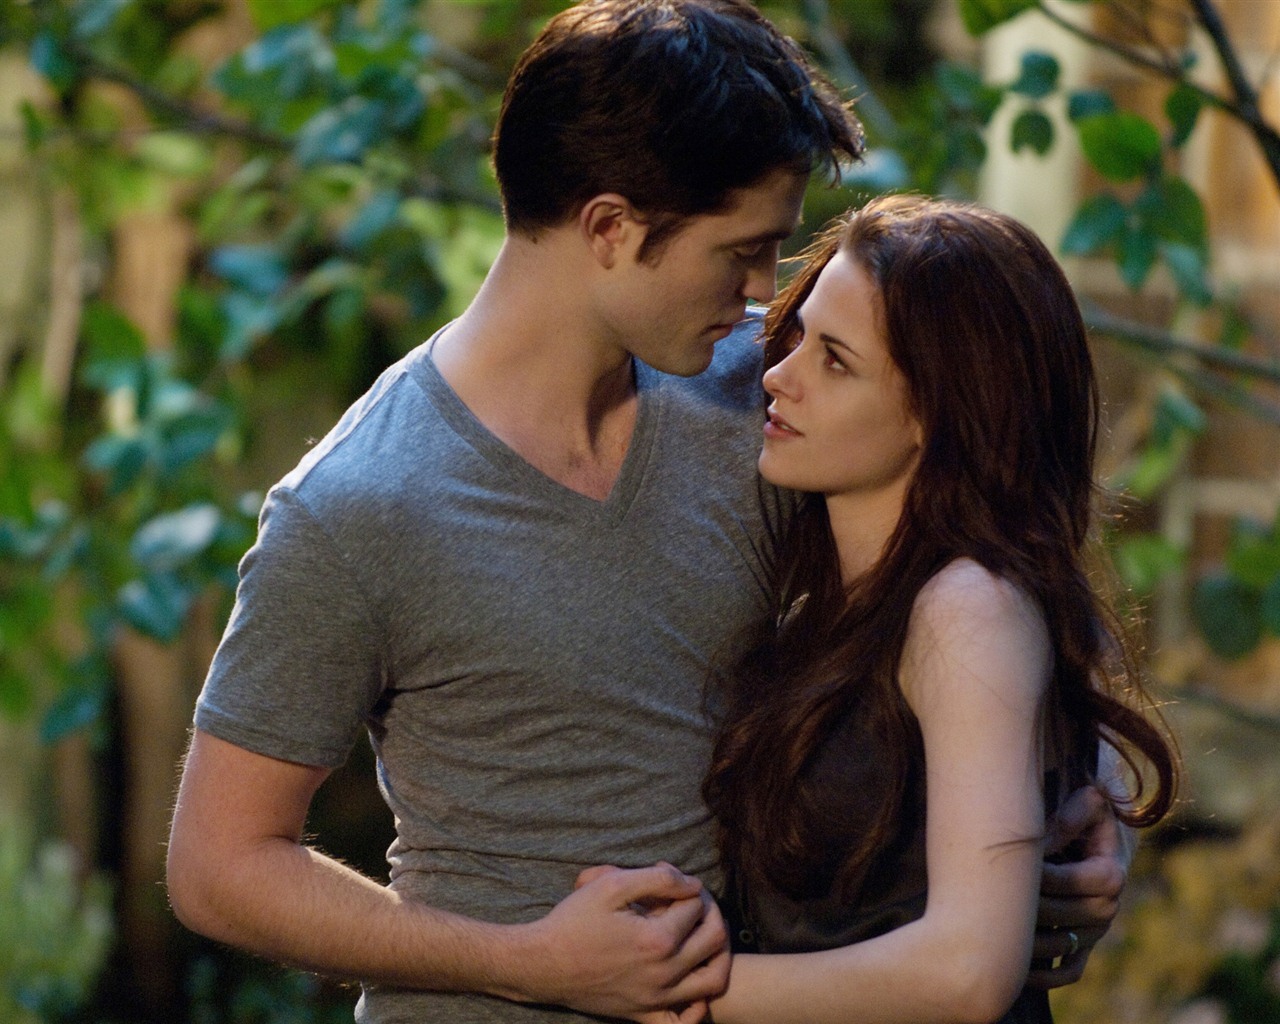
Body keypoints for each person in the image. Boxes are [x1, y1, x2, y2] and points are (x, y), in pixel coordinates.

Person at [165, 3, 1129, 1023]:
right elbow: (220, 866)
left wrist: (1080, 803)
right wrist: (528, 963)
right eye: (741, 251)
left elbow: (990, 561)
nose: (763, 293)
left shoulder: (760, 393)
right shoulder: (357, 506)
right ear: (610, 229)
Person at [696, 194, 1179, 1024]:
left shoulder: (967, 606)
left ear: (938, 412)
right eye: (799, 336)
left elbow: (969, 971)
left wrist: (674, 995)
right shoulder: (834, 604)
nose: (777, 375)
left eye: (835, 361)